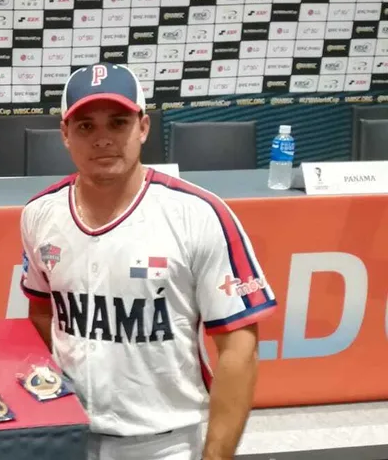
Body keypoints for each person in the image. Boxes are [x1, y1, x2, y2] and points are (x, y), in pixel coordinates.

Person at [20, 62, 277, 460]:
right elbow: (41, 312)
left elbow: (239, 348)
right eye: (86, 126)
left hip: (164, 442)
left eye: (118, 122)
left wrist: (216, 456)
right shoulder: (39, 213)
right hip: (67, 436)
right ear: (65, 134)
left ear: (142, 127)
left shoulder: (199, 214)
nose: (102, 139)